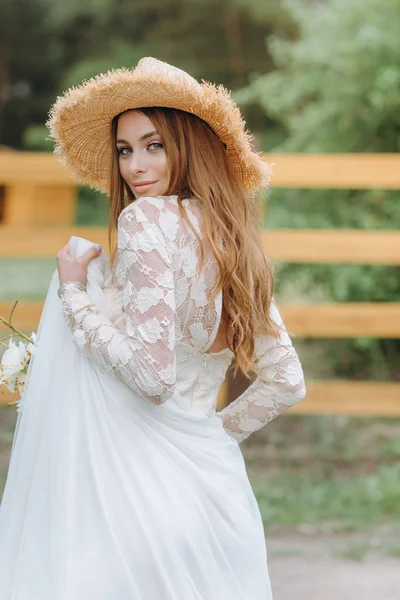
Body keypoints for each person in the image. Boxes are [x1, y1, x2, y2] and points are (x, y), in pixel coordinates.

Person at [0, 57, 306, 599]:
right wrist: (211, 435)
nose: (136, 165)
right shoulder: (236, 241)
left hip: (136, 485)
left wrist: (74, 293)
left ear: (189, 144)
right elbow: (286, 381)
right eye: (125, 150)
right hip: (215, 489)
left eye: (154, 144)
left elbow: (152, 376)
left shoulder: (144, 221)